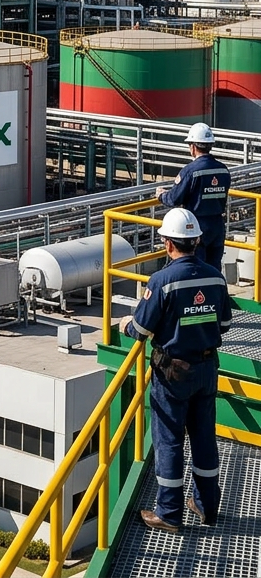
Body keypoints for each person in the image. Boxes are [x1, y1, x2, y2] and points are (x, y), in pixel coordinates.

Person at [119, 207, 232, 532]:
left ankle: (169, 513)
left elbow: (141, 330)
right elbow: (224, 324)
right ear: (196, 241)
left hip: (172, 374)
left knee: (169, 440)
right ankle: (206, 506)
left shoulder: (162, 280)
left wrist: (127, 324)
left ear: (168, 244)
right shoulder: (215, 276)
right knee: (204, 437)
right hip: (207, 368)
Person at [156, 123, 231, 272]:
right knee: (213, 269)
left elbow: (174, 199)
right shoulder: (223, 170)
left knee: (195, 268)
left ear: (193, 147)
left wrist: (162, 195)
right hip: (217, 225)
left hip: (196, 225)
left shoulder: (190, 171)